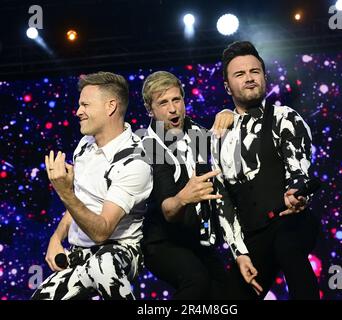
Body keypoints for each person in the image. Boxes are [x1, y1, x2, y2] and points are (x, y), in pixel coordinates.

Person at [211, 41, 320, 299]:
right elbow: (223, 201)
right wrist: (240, 253)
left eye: (254, 72)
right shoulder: (217, 136)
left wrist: (297, 193)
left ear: (264, 77)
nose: (249, 78)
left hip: (290, 223)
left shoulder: (285, 118)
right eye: (240, 74)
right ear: (227, 86)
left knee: (287, 247)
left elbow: (299, 170)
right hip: (254, 236)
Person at [31, 72, 153, 300]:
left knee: (102, 266)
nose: (78, 111)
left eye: (85, 104)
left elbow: (102, 231)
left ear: (110, 107)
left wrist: (64, 192)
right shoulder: (84, 146)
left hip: (118, 251)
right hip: (80, 254)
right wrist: (56, 239)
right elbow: (79, 205)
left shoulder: (135, 161)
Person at [140, 71, 256, 299]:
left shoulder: (198, 134)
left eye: (176, 99)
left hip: (198, 240)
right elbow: (168, 210)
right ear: (150, 110)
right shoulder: (149, 144)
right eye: (163, 103)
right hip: (162, 243)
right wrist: (185, 197)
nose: (173, 109)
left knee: (227, 293)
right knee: (196, 282)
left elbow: (221, 194)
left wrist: (228, 114)